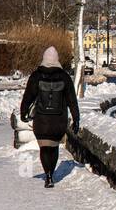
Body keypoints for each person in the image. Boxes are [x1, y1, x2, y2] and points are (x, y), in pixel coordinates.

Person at [20, 46, 80, 189]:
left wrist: (24, 112)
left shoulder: (36, 76)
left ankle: (47, 174)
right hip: (58, 120)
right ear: (57, 60)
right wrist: (76, 118)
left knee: (44, 148)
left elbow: (28, 96)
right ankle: (51, 174)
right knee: (53, 147)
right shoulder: (64, 77)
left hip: (41, 120)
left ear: (44, 59)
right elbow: (72, 100)